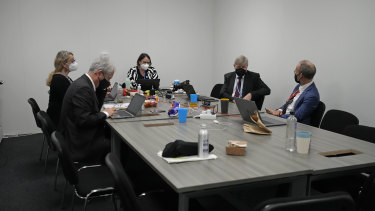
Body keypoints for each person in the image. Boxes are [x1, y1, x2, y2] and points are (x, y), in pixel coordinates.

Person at [59, 55, 116, 163]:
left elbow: (94, 108)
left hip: (76, 134)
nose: (108, 83)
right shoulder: (83, 88)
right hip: (80, 143)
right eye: (108, 79)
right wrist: (105, 113)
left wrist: (102, 88)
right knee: (119, 144)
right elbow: (84, 120)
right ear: (99, 73)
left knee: (111, 135)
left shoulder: (84, 82)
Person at [266, 60, 320, 125]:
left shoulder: (312, 96)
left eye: (295, 71)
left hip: (295, 126)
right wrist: (279, 111)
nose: (294, 73)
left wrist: (278, 116)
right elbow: (289, 103)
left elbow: (297, 117)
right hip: (284, 119)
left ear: (300, 75)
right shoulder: (299, 86)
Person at [46, 50, 77, 126]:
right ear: (64, 64)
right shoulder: (59, 80)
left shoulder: (64, 78)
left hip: (62, 117)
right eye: (72, 61)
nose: (75, 63)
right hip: (60, 121)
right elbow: (70, 101)